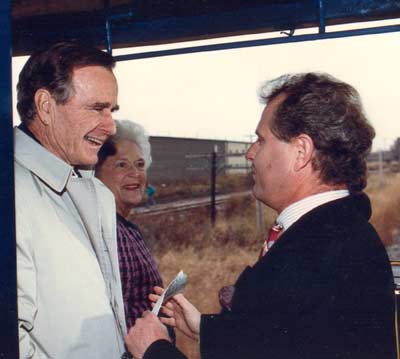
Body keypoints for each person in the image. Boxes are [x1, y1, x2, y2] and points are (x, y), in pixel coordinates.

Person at [124, 72, 397, 359]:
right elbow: (289, 337)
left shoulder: (310, 256)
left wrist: (154, 350)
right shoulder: (335, 233)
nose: (251, 153)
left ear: (301, 152)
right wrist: (206, 329)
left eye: (261, 140)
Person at [15, 41, 127, 358]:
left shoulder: (90, 189)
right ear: (46, 106)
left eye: (112, 110)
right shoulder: (11, 193)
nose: (111, 125)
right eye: (96, 108)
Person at [95, 120, 164, 329]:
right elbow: (118, 318)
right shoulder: (111, 232)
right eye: (122, 164)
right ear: (95, 170)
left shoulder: (122, 227)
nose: (135, 173)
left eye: (140, 165)